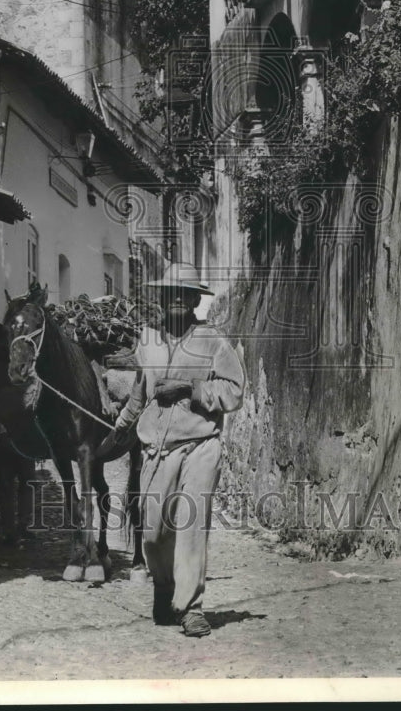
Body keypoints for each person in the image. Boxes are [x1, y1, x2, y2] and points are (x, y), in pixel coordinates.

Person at [101, 262, 245, 637]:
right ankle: (164, 588)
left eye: (185, 294)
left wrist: (190, 390)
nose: (177, 300)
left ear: (196, 299)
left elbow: (233, 390)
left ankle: (191, 606)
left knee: (191, 524)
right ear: (161, 299)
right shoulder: (147, 340)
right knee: (152, 530)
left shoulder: (213, 340)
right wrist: (118, 432)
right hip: (155, 451)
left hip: (200, 446)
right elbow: (139, 393)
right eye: (170, 294)